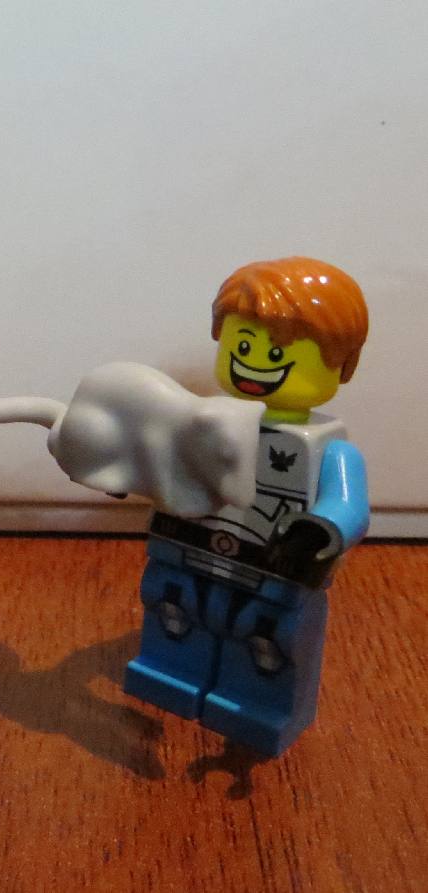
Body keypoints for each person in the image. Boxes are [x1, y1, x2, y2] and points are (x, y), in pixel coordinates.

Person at [124, 256, 369, 755]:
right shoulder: (202, 422)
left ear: (340, 363)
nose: (255, 362)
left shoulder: (329, 450)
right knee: (173, 612)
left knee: (269, 642)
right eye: (241, 345)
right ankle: (170, 674)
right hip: (186, 549)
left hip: (273, 566)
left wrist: (319, 531)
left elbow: (350, 505)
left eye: (278, 351)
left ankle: (261, 707)